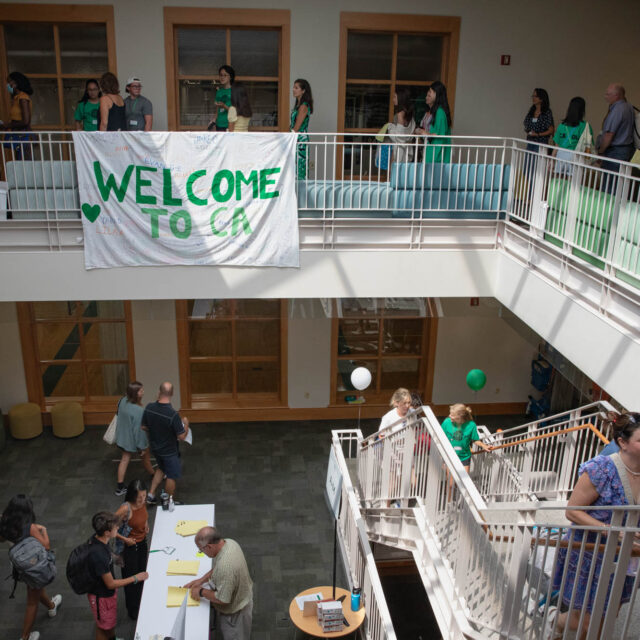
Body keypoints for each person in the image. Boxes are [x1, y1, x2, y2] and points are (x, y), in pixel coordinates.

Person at [548, 411, 640, 639]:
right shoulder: (601, 469)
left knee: (607, 618)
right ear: (622, 442)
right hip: (592, 554)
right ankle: (555, 620)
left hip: (625, 558)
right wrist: (610, 530)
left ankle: (559, 624)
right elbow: (573, 511)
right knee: (589, 621)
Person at [0, 495, 61, 640]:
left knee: (34, 588)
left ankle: (52, 606)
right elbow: (46, 546)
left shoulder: (4, 523)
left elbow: (1, 539)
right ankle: (25, 637)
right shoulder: (30, 527)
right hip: (34, 565)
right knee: (32, 602)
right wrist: (43, 530)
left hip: (19, 565)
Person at [86, 511, 148, 640]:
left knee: (107, 623)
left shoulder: (98, 539)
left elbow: (108, 555)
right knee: (103, 627)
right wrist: (136, 577)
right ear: (107, 532)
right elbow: (111, 584)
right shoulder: (99, 556)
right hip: (102, 597)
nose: (118, 528)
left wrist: (116, 559)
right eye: (115, 527)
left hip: (104, 595)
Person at [184, 526, 253, 640]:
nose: (202, 552)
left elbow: (223, 599)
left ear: (209, 546)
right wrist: (201, 580)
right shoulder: (229, 543)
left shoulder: (225, 567)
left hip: (236, 613)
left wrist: (201, 591)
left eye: (201, 550)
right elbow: (217, 568)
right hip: (243, 595)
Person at [141, 381, 190, 504]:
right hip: (169, 451)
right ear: (172, 394)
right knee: (171, 475)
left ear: (159, 392)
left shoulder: (149, 408)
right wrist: (186, 425)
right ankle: (169, 501)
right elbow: (182, 436)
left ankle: (151, 494)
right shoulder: (173, 415)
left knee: (161, 468)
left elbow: (144, 427)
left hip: (156, 448)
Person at [113, 480, 149, 620]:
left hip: (142, 543)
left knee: (142, 573)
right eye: (139, 497)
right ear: (133, 496)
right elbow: (111, 529)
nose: (142, 499)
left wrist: (146, 524)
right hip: (129, 548)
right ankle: (133, 610)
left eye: (144, 496)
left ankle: (142, 602)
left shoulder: (143, 502)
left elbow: (144, 515)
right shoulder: (125, 509)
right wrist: (125, 539)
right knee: (131, 579)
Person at [114, 381, 155, 496]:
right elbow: (139, 431)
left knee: (125, 459)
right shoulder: (138, 411)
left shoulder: (122, 400)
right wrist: (141, 447)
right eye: (141, 391)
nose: (143, 392)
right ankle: (153, 474)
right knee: (145, 456)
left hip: (122, 437)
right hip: (131, 439)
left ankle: (120, 486)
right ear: (135, 394)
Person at [597, 83, 635, 177]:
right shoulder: (629, 106)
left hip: (614, 152)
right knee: (618, 182)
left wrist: (601, 151)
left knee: (609, 183)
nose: (605, 97)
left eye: (608, 94)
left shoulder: (617, 110)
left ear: (616, 95)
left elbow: (609, 135)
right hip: (626, 150)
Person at [440, 403, 490, 471]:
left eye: (452, 415)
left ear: (460, 417)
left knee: (465, 480)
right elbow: (439, 437)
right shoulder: (447, 422)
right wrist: (442, 457)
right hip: (449, 456)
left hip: (464, 457)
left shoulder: (471, 425)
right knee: (451, 481)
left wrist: (483, 445)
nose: (449, 416)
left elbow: (475, 439)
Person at [551, 97, 594, 175]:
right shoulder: (586, 126)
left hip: (560, 155)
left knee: (558, 181)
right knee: (573, 184)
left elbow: (556, 146)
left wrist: (552, 160)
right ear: (582, 110)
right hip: (576, 157)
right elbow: (589, 146)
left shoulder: (561, 126)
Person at [415, 81, 451, 163]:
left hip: (436, 155)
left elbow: (439, 135)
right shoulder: (436, 111)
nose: (428, 94)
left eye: (430, 92)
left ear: (437, 94)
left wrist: (424, 132)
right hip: (431, 151)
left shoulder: (440, 112)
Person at [2, 72, 33, 160]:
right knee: (19, 164)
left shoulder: (23, 98)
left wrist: (6, 125)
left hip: (23, 136)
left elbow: (26, 121)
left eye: (9, 82)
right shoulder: (16, 98)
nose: (7, 85)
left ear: (15, 83)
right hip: (18, 136)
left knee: (24, 165)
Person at [290, 78, 313, 179]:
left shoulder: (303, 106)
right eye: (293, 87)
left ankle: (301, 192)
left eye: (296, 88)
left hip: (300, 141)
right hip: (295, 138)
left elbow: (297, 126)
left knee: (300, 168)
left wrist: (288, 136)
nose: (293, 89)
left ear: (303, 91)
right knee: (293, 167)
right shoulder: (298, 106)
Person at [387, 86, 416, 164]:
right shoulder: (409, 115)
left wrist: (390, 128)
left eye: (395, 97)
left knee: (396, 172)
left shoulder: (400, 114)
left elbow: (400, 136)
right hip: (408, 150)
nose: (393, 99)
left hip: (400, 151)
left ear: (400, 98)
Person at [208, 65, 235, 132]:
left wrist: (224, 106)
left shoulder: (235, 91)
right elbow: (217, 110)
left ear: (230, 77)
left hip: (229, 125)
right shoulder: (219, 92)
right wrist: (214, 120)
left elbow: (236, 112)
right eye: (221, 75)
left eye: (225, 75)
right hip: (219, 124)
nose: (222, 77)